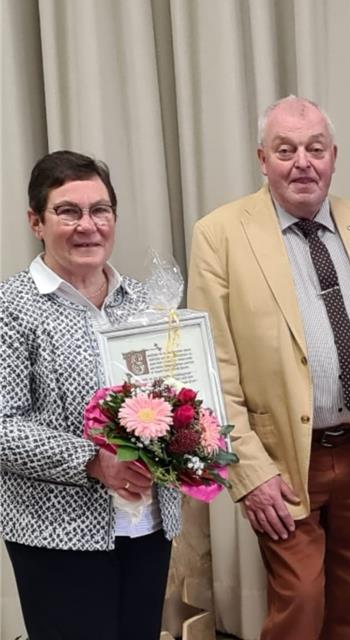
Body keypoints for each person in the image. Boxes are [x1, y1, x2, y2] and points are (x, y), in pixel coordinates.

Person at [187, 95, 350, 640]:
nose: (302, 162)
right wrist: (249, 473)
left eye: (315, 149)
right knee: (300, 604)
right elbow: (214, 370)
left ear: (333, 156)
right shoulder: (220, 235)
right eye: (286, 150)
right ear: (262, 158)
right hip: (283, 459)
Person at [0, 150, 181, 640]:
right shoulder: (11, 307)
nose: (88, 225)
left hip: (147, 523)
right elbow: (3, 427)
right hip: (56, 533)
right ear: (36, 222)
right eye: (68, 211)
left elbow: (178, 398)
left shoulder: (146, 302)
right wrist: (94, 462)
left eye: (100, 210)